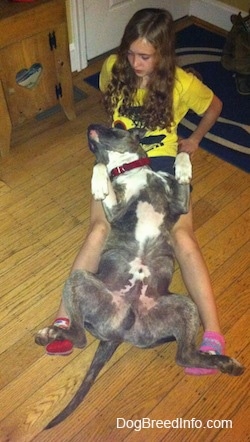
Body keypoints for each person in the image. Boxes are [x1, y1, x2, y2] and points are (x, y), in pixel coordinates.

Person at [46, 8, 225, 376]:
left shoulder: (181, 83)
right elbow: (109, 102)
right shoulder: (114, 67)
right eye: (131, 53)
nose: (135, 62)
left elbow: (215, 107)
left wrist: (193, 139)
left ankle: (213, 336)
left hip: (160, 167)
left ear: (162, 55)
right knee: (98, 230)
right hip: (118, 165)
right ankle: (63, 320)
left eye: (144, 57)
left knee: (183, 238)